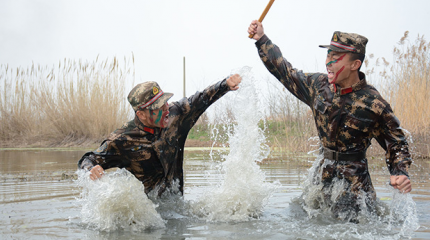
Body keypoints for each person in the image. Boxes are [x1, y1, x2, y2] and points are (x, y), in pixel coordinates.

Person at [248, 20, 412, 221]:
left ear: (355, 64)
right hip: (321, 176)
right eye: (328, 54)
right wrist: (262, 40)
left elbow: (396, 143)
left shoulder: (374, 103)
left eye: (336, 57)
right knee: (310, 221)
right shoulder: (318, 86)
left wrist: (400, 172)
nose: (329, 62)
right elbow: (285, 72)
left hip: (354, 185)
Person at [78, 74, 241, 196]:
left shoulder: (176, 115)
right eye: (158, 107)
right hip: (149, 218)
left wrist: (225, 84)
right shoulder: (122, 139)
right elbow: (89, 159)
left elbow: (200, 99)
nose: (166, 110)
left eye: (165, 102)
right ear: (141, 114)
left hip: (177, 206)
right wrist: (91, 168)